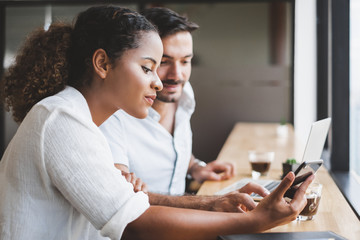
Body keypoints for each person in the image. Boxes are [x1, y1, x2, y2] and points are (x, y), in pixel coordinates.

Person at [0, 5, 314, 240]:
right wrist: (256, 221)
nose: (160, 83)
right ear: (102, 63)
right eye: (149, 67)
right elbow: (133, 223)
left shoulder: (79, 119)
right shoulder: (62, 118)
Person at [100, 7, 234, 196]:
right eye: (164, 61)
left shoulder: (183, 93)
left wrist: (195, 167)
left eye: (185, 61)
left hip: (183, 214)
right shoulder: (112, 115)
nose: (177, 75)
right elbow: (121, 197)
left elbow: (173, 146)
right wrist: (207, 205)